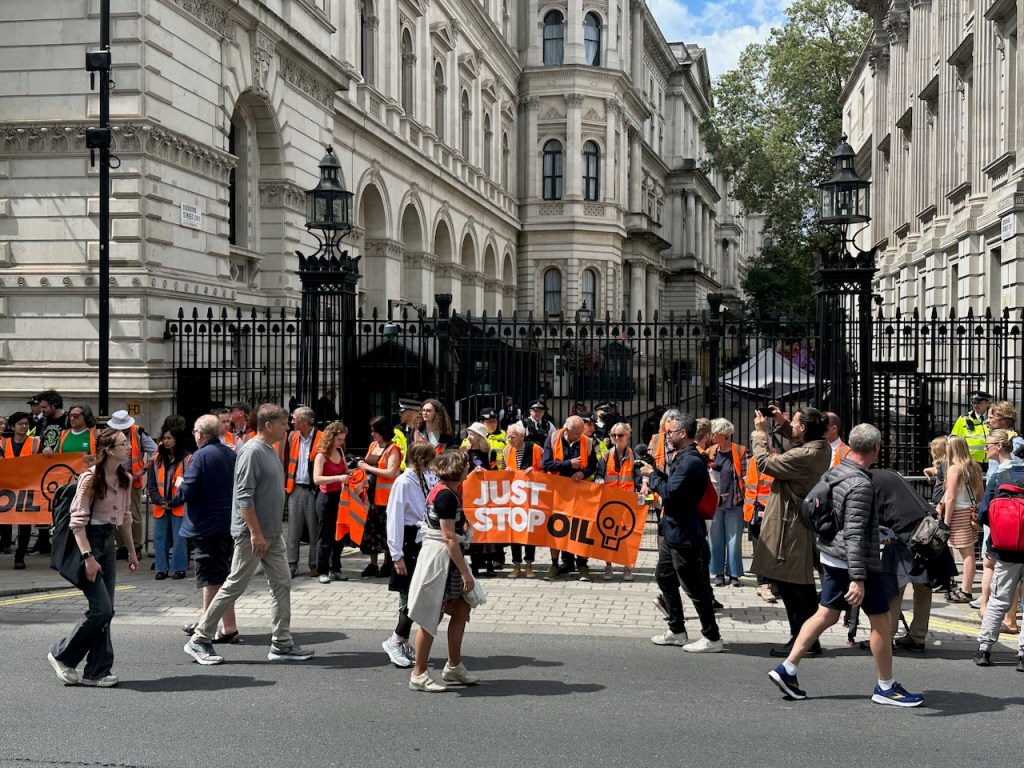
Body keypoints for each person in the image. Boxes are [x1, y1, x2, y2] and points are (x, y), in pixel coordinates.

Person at [768, 424, 924, 707]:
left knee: (825, 615)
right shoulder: (862, 484)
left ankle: (787, 668)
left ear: (851, 445)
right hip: (855, 563)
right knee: (881, 622)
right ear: (876, 448)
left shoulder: (836, 471)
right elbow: (854, 533)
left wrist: (872, 531)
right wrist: (858, 578)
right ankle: (886, 687)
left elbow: (840, 516)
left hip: (832, 555)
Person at [184, 404, 314, 665]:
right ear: (268, 425)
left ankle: (282, 643)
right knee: (234, 585)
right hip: (252, 534)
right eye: (283, 423)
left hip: (271, 533)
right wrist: (255, 533)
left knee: (282, 583)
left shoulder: (269, 450)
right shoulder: (252, 451)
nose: (287, 427)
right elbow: (244, 495)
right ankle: (200, 638)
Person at [47, 429, 138, 687]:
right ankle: (62, 654)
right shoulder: (89, 479)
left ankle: (96, 671)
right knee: (101, 609)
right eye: (123, 444)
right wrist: (88, 557)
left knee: (106, 611)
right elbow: (77, 523)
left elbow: (126, 519)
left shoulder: (125, 478)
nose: (129, 447)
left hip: (107, 543)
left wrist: (131, 551)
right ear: (109, 450)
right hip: (87, 543)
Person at [639, 410, 724, 653]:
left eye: (670, 432)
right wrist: (656, 472)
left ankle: (712, 637)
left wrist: (651, 476)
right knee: (664, 576)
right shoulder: (682, 457)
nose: (667, 436)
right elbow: (673, 484)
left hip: (685, 533)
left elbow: (672, 493)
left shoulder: (691, 461)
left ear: (683, 433)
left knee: (694, 587)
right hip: (673, 530)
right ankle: (677, 630)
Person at [750, 406, 831, 657]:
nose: (791, 426)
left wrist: (761, 435)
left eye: (795, 423)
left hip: (791, 524)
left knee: (793, 583)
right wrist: (784, 424)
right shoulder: (820, 447)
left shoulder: (805, 454)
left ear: (804, 428)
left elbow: (765, 463)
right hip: (795, 521)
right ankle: (807, 640)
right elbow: (800, 440)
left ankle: (802, 640)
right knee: (796, 581)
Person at [407, 449, 480, 691]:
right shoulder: (447, 496)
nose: (469, 467)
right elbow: (449, 538)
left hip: (443, 558)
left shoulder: (445, 490)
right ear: (457, 469)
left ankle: (453, 665)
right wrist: (465, 572)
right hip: (442, 561)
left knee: (461, 608)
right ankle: (418, 674)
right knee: (432, 615)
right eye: (466, 464)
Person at [170, 414, 239, 643]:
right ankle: (224, 626)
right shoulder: (230, 454)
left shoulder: (199, 456)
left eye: (194, 432)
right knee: (220, 576)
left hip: (205, 525)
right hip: (227, 523)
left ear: (199, 433)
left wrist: (180, 484)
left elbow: (188, 492)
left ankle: (211, 627)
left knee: (211, 579)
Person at [871, 468, 954, 652]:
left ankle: (886, 638)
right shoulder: (890, 475)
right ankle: (917, 637)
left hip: (907, 536)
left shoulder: (868, 482)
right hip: (928, 531)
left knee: (894, 587)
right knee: (923, 588)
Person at [382, 442, 437, 668]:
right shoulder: (403, 482)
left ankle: (402, 640)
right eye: (430, 458)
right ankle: (395, 640)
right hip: (407, 542)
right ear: (421, 459)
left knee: (415, 595)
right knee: (410, 596)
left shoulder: (423, 478)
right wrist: (397, 555)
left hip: (419, 540)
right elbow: (394, 517)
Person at [974, 430, 1024, 670]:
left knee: (999, 599)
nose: (986, 448)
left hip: (1006, 549)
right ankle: (1023, 656)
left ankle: (984, 649)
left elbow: (985, 513)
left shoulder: (999, 476)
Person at [542, 414, 601, 581]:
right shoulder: (552, 439)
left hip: (579, 491)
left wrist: (583, 473)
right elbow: (546, 464)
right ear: (566, 430)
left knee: (580, 527)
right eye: (576, 433)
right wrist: (569, 464)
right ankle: (555, 564)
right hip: (558, 491)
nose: (579, 436)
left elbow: (593, 465)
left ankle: (582, 564)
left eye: (581, 432)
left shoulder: (587, 442)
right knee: (557, 527)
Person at [106, 410, 156, 561]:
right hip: (113, 478)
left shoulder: (138, 433)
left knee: (133, 514)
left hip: (132, 480)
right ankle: (122, 546)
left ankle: (136, 546)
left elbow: (155, 452)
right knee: (114, 512)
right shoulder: (108, 434)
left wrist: (143, 470)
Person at [939, 435, 984, 604]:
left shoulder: (954, 469)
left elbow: (951, 497)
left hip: (957, 513)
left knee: (966, 554)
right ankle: (965, 589)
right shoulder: (975, 467)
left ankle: (965, 590)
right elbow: (980, 494)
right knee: (969, 554)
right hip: (970, 513)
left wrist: (946, 522)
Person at [357, 415, 403, 577]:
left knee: (387, 531)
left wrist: (368, 467)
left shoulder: (393, 449)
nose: (372, 434)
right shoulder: (373, 446)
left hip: (387, 498)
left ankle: (387, 563)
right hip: (371, 497)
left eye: (374, 431)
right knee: (371, 531)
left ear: (382, 431)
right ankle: (373, 563)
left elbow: (390, 472)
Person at [146, 425, 191, 580]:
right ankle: (161, 568)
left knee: (179, 539)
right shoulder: (157, 458)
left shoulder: (187, 459)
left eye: (169, 438)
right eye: (164, 438)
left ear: (177, 440)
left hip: (178, 505)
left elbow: (188, 484)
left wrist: (174, 502)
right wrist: (159, 500)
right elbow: (152, 484)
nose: (165, 441)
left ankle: (179, 568)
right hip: (161, 505)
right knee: (160, 539)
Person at [707, 418, 747, 587]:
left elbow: (745, 476)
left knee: (734, 540)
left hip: (734, 502)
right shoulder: (710, 452)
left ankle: (734, 574)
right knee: (715, 539)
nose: (711, 436)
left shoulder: (739, 451)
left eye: (714, 433)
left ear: (722, 435)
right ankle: (718, 573)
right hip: (715, 503)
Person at [284, 406, 322, 579]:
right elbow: (286, 461)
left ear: (305, 421)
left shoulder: (321, 437)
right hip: (296, 488)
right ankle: (291, 565)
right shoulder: (292, 436)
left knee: (314, 529)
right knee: (293, 530)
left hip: (313, 489)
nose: (292, 421)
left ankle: (314, 564)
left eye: (295, 418)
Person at [1, 411, 42, 569]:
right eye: (20, 424)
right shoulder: (3, 444)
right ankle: (5, 544)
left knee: (25, 523)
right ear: (13, 427)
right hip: (7, 487)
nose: (24, 426)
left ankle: (20, 556)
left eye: (26, 423)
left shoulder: (36, 443)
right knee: (5, 519)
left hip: (28, 487)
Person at [502, 422, 543, 578]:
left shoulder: (535, 449)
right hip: (514, 498)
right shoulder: (506, 450)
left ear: (522, 436)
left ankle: (529, 565)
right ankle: (516, 565)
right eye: (508, 436)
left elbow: (545, 467)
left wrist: (536, 470)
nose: (509, 439)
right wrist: (506, 471)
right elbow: (500, 472)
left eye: (512, 436)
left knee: (529, 532)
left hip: (531, 497)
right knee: (515, 532)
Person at [602, 421, 641, 581]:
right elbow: (599, 473)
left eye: (620, 435)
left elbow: (638, 477)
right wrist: (598, 479)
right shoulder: (606, 455)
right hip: (609, 501)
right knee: (608, 534)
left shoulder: (634, 456)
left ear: (627, 436)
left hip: (627, 502)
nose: (617, 438)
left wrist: (643, 488)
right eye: (614, 435)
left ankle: (627, 567)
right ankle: (608, 566)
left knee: (627, 535)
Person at [312, 421, 350, 584]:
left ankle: (336, 568)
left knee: (339, 534)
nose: (341, 442)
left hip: (340, 497)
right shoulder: (321, 455)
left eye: (343, 439)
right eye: (339, 439)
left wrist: (359, 471)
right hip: (326, 498)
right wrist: (337, 478)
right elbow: (316, 479)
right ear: (330, 437)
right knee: (325, 535)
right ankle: (322, 570)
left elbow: (345, 470)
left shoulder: (340, 451)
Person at [463, 421, 499, 578]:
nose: (468, 437)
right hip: (470, 497)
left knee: (488, 531)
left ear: (479, 436)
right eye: (468, 434)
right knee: (472, 531)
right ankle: (475, 565)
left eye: (471, 434)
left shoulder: (490, 453)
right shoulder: (465, 452)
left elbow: (496, 472)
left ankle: (490, 564)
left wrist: (485, 472)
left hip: (486, 497)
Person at [950, 391, 992, 467]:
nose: (975, 405)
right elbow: (954, 440)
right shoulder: (963, 419)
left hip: (992, 460)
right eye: (974, 403)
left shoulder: (994, 418)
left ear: (987, 403)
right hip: (971, 462)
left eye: (979, 403)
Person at [392, 397, 422, 463]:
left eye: (402, 412)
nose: (399, 414)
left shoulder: (422, 430)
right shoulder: (397, 429)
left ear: (411, 412)